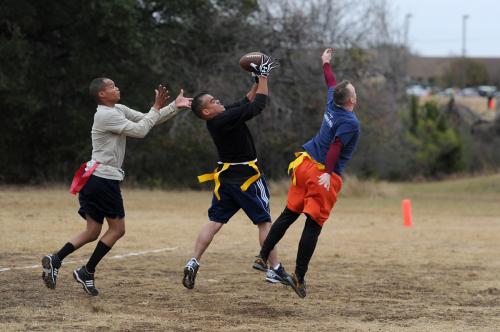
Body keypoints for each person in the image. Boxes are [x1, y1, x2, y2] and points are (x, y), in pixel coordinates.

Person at [41, 78, 192, 296]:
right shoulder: (106, 115)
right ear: (102, 94)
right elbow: (141, 131)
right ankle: (87, 271)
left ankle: (55, 259)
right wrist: (157, 107)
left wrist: (173, 107)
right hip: (103, 180)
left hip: (94, 179)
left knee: (93, 231)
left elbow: (147, 120)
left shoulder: (117, 109)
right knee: (118, 230)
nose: (117, 88)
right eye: (111, 86)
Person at [255, 48, 361, 298]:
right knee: (313, 225)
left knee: (288, 214)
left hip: (303, 165)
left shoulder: (331, 101)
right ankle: (299, 277)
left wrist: (326, 63)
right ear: (350, 101)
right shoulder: (350, 121)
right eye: (354, 92)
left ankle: (262, 257)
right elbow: (336, 146)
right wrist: (329, 172)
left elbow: (331, 82)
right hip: (322, 173)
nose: (356, 93)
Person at [182, 56, 286, 289]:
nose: (218, 100)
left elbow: (246, 100)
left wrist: (257, 78)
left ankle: (193, 261)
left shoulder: (219, 117)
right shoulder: (223, 118)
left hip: (226, 179)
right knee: (264, 222)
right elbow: (258, 105)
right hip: (246, 177)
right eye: (213, 100)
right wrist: (265, 77)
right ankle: (274, 269)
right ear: (207, 111)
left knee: (215, 220)